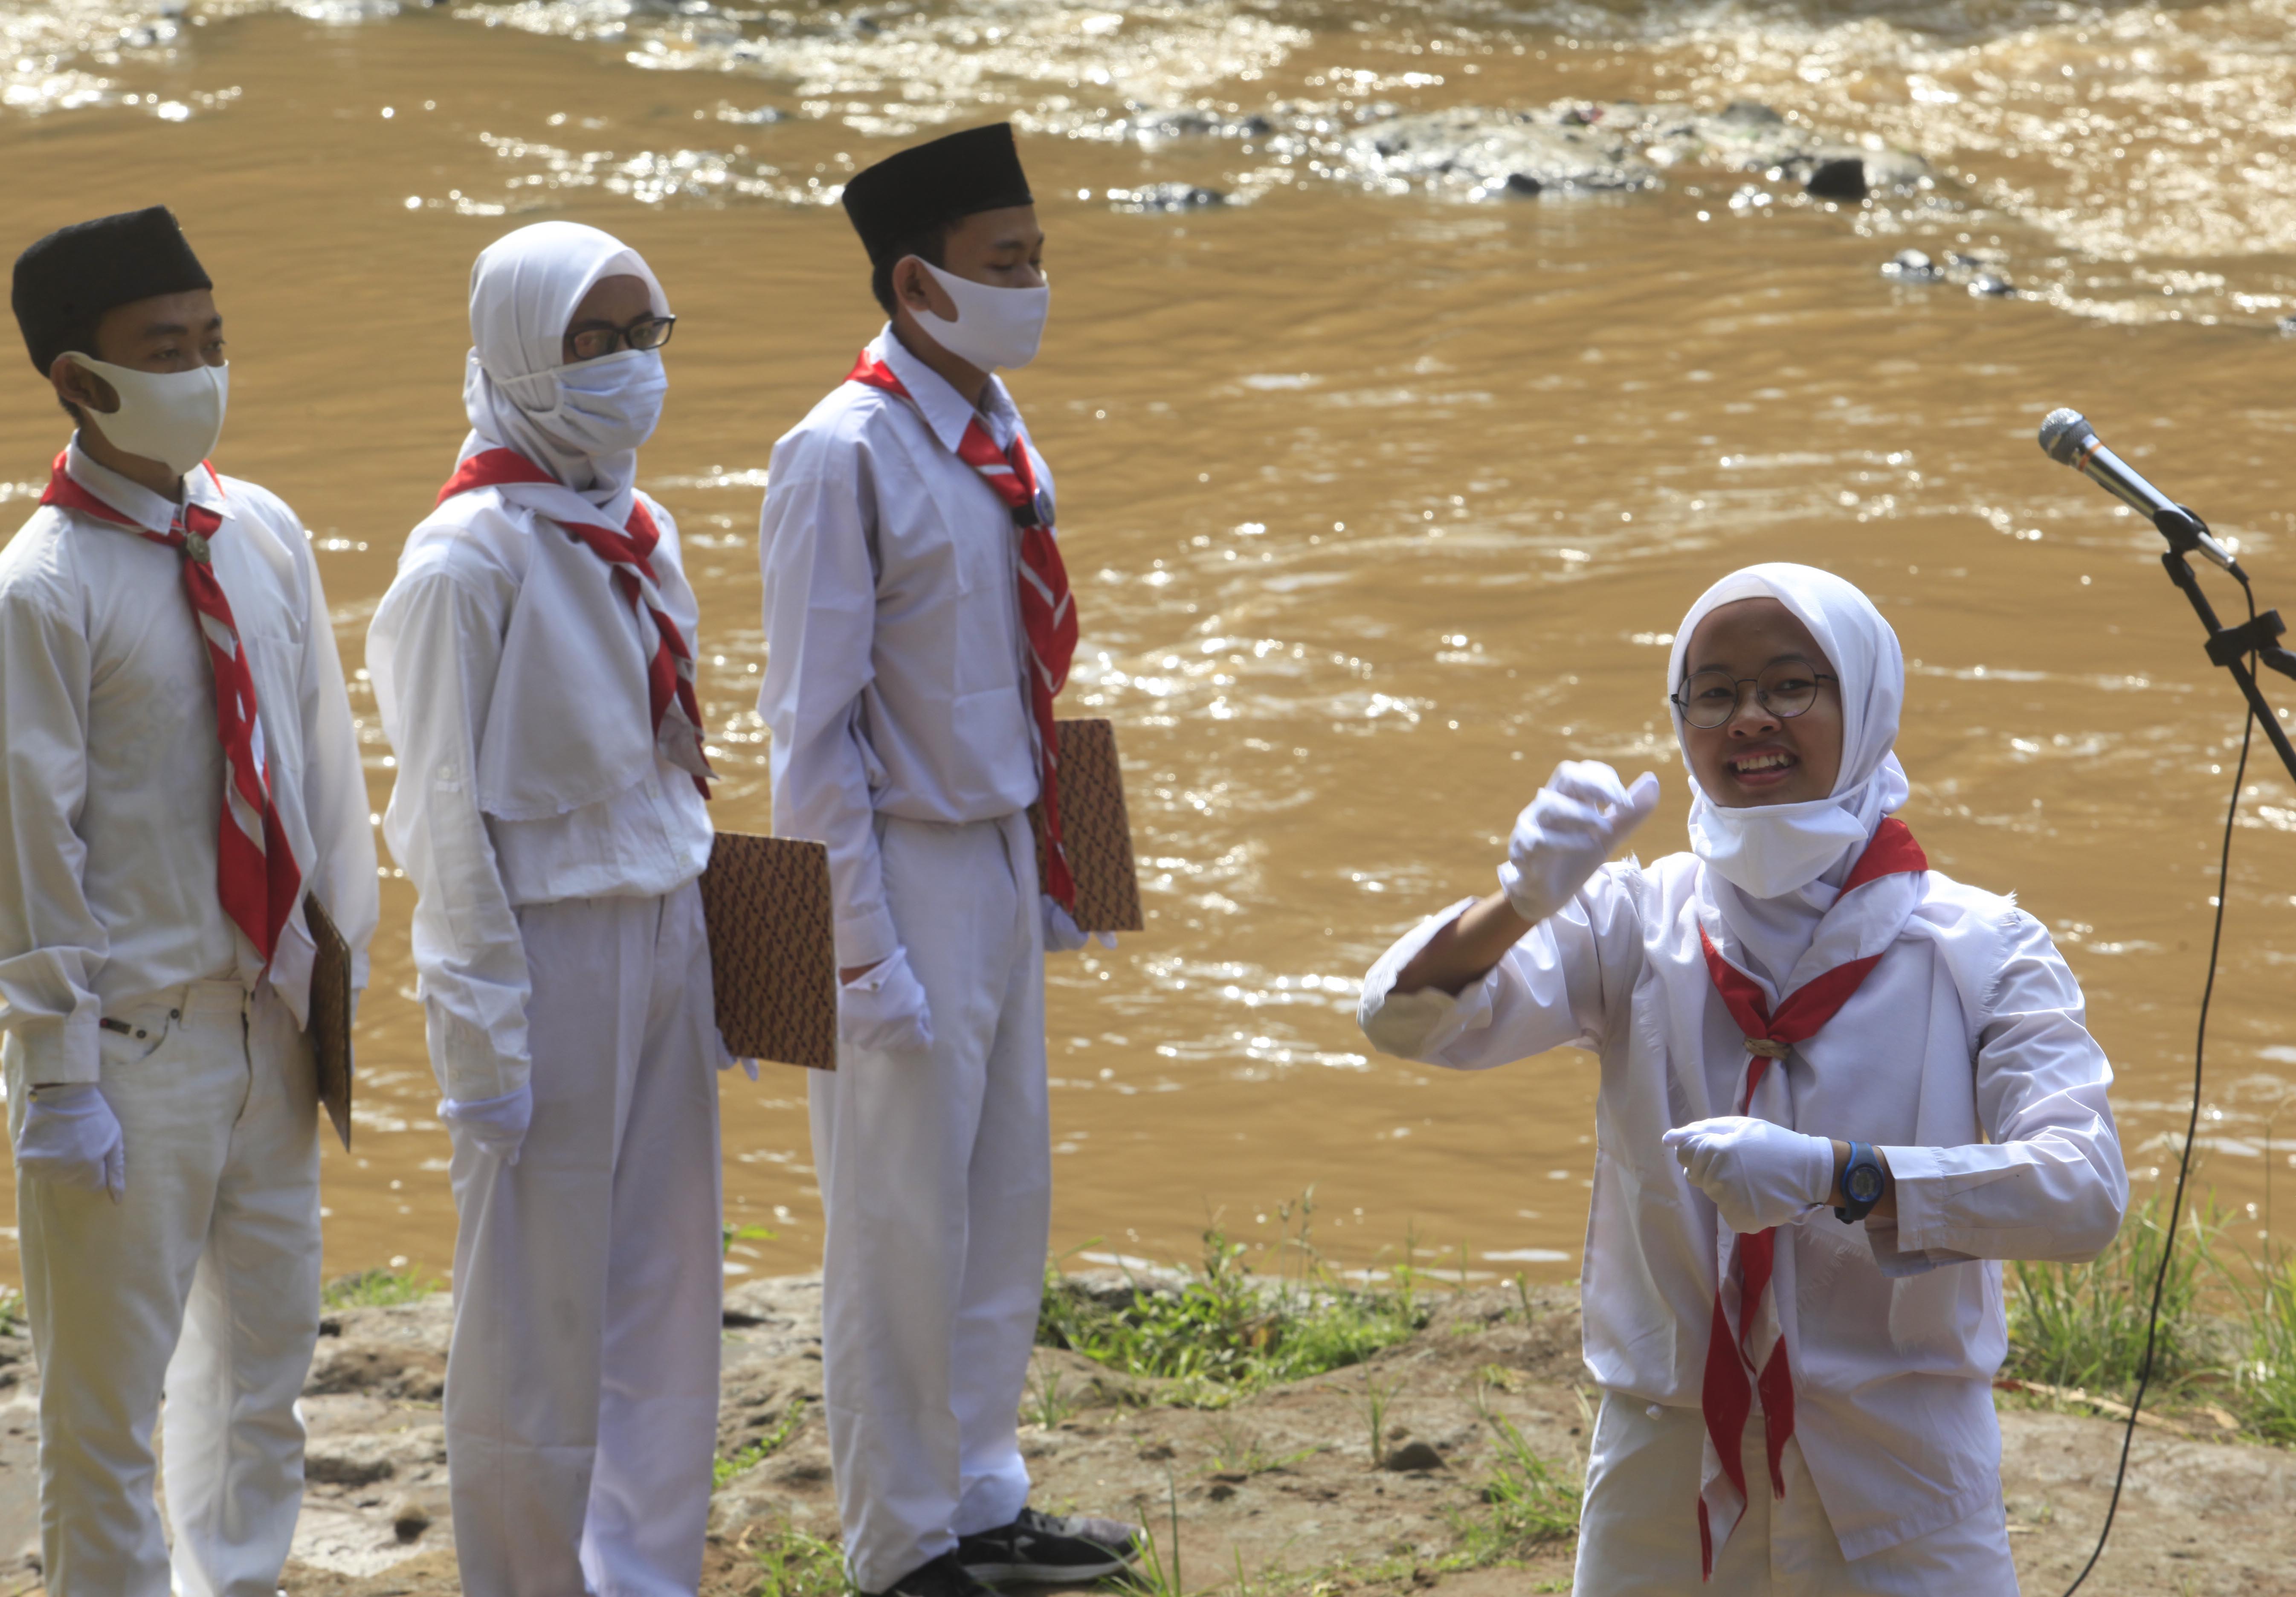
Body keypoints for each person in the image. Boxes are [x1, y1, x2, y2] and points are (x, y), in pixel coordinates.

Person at [1356, 563, 2127, 1595]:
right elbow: (1404, 1021)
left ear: (1868, 700)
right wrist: (1519, 904)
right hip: (1662, 1473)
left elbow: (2082, 1193)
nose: (1750, 719)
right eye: (1713, 693)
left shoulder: (1984, 949)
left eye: (1790, 684)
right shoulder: (1632, 920)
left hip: (1898, 1471)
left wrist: (1842, 1176)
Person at [758, 122, 1141, 1597]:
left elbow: (1037, 667)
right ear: (918, 284)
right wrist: (855, 953)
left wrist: (1070, 865)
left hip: (999, 852)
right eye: (1005, 263)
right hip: (897, 866)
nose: (1034, 285)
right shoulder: (840, 452)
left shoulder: (995, 429)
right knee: (895, 1225)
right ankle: (899, 1541)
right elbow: (811, 733)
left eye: (1039, 257)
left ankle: (984, 1493)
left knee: (999, 1199)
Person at [0, 206, 379, 1595]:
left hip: (266, 1021)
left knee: (265, 1371)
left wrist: (335, 975)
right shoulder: (41, 591)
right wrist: (59, 1074)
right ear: (78, 380)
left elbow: (322, 763)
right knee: (106, 1408)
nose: (204, 371)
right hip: (131, 1050)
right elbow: (28, 846)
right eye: (165, 350)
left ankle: (242, 1577)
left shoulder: (259, 531)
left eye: (214, 340)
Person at [366, 220, 730, 1596]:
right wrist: (480, 1035)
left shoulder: (636, 525)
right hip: (548, 950)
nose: (629, 365)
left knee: (666, 1284)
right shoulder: (465, 561)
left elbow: (665, 762)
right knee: (534, 1306)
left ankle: (644, 1570)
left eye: (644, 334)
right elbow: (441, 819)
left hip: (667, 925)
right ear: (519, 351)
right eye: (593, 340)